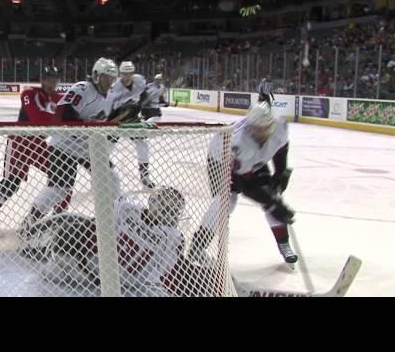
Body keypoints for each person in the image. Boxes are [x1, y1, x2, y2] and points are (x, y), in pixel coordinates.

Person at [21, 187, 219, 296]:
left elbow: (92, 226)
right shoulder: (172, 237)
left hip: (82, 272)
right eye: (173, 211)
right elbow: (167, 273)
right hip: (129, 288)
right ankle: (219, 284)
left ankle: (32, 247)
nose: (173, 216)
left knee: (72, 226)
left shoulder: (125, 208)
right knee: (190, 275)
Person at [20, 57, 121, 237]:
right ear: (97, 75)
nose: (109, 82)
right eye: (106, 77)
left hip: (87, 146)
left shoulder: (111, 96)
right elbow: (61, 116)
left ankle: (114, 221)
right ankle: (30, 223)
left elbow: (110, 122)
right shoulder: (83, 89)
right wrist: (88, 127)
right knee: (59, 189)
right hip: (64, 145)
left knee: (111, 179)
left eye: (112, 79)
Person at [190, 102, 297, 265]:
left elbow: (281, 147)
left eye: (266, 128)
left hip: (249, 162)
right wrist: (271, 202)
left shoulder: (279, 125)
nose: (263, 133)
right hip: (221, 162)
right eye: (258, 129)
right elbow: (243, 183)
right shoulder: (238, 143)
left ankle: (284, 243)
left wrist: (280, 171)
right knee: (225, 203)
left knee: (272, 196)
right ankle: (197, 247)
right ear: (250, 125)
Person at [0, 66, 67, 232]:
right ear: (42, 80)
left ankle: (58, 221)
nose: (52, 83)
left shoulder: (59, 98)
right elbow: (36, 118)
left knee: (63, 178)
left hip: (38, 143)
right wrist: (57, 115)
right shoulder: (29, 94)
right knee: (11, 184)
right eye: (49, 79)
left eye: (55, 79)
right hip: (19, 142)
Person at [108, 61, 155, 188]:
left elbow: (144, 95)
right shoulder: (115, 87)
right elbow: (109, 106)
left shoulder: (139, 80)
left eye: (130, 73)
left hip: (133, 117)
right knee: (108, 147)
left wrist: (139, 107)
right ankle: (101, 174)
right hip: (117, 117)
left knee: (143, 145)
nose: (127, 76)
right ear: (120, 74)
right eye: (124, 74)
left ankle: (145, 177)